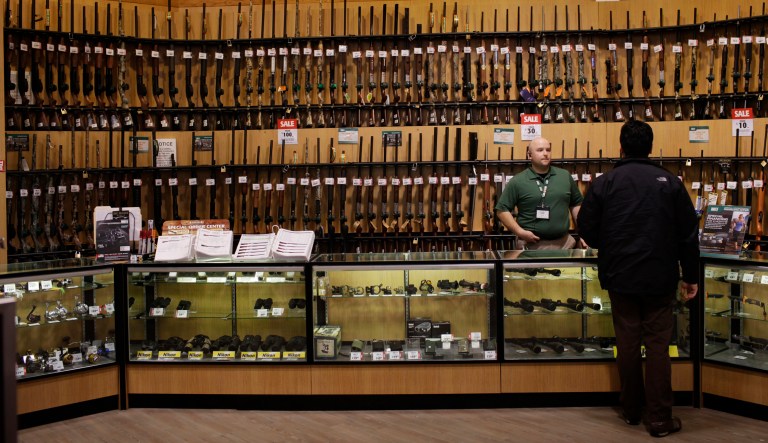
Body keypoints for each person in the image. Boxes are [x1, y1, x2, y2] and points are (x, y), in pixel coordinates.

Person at [577, 120, 699, 438]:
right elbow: (688, 235)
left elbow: (587, 229)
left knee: (627, 343)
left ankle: (631, 409)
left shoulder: (605, 183)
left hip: (620, 275)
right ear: (650, 148)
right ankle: (659, 418)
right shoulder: (669, 182)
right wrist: (691, 276)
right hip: (660, 276)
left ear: (621, 147)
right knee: (658, 346)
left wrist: (613, 243)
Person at [495, 137, 583, 250]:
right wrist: (520, 232)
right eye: (540, 150)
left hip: (565, 244)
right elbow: (502, 210)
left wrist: (583, 233)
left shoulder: (565, 176)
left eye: (548, 150)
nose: (545, 153)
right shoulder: (518, 181)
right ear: (529, 155)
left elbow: (576, 205)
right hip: (531, 245)